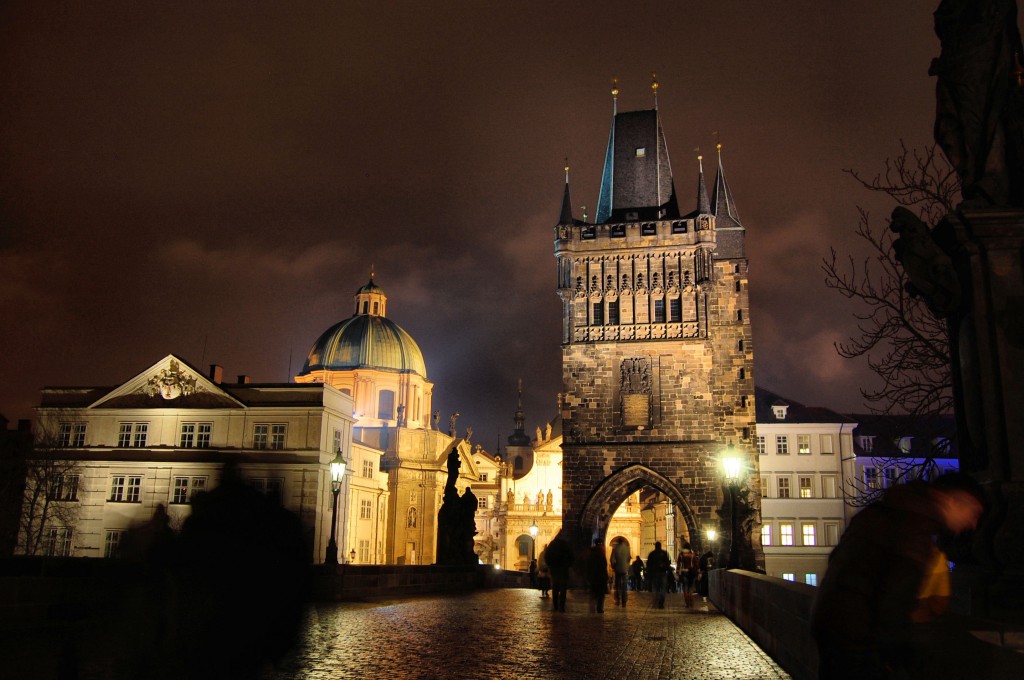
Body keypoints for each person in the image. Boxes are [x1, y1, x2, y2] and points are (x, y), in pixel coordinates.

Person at [810, 472, 984, 679]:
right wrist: (899, 655)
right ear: (953, 501)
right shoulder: (914, 526)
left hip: (832, 621)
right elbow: (896, 598)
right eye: (973, 512)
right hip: (857, 634)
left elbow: (837, 559)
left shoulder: (887, 511)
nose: (973, 523)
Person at [545, 534, 574, 612]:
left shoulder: (552, 544)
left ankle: (555, 605)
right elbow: (572, 557)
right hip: (564, 569)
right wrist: (568, 565)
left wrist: (550, 565)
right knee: (563, 588)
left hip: (554, 569)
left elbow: (546, 556)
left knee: (555, 587)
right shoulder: (566, 545)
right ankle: (562, 606)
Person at [585, 538, 609, 613]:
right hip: (600, 576)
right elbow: (604, 566)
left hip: (593, 575)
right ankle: (599, 608)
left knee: (593, 592)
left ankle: (592, 607)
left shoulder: (591, 553)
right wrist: (606, 576)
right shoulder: (601, 554)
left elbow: (588, 565)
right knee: (601, 593)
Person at [646, 541, 671, 609]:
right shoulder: (664, 553)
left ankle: (655, 602)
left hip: (654, 573)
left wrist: (649, 573)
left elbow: (648, 564)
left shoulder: (652, 554)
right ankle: (661, 602)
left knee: (655, 588)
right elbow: (668, 563)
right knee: (663, 588)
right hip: (663, 572)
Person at [676, 542, 699, 608]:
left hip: (684, 572)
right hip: (691, 572)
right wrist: (697, 572)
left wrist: (678, 572)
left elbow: (678, 564)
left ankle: (687, 603)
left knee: (685, 587)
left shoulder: (681, 554)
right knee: (691, 587)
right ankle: (690, 598)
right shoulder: (692, 554)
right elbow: (696, 564)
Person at [610, 537, 631, 606]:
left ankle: (618, 599)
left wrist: (613, 566)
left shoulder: (615, 548)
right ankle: (624, 601)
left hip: (618, 569)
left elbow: (612, 559)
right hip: (625, 569)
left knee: (617, 585)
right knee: (624, 586)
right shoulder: (627, 549)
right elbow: (629, 558)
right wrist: (627, 565)